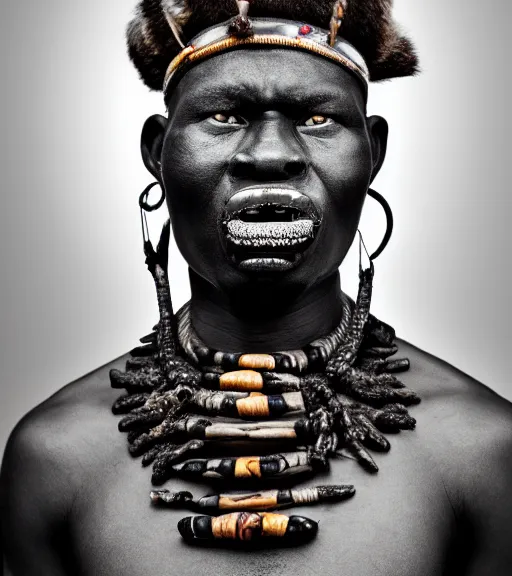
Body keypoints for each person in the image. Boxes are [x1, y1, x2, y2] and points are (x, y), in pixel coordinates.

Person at [2, 1, 511, 574]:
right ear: (157, 154)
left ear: (373, 153)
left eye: (317, 118)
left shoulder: (483, 453)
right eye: (225, 115)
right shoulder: (57, 458)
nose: (270, 154)